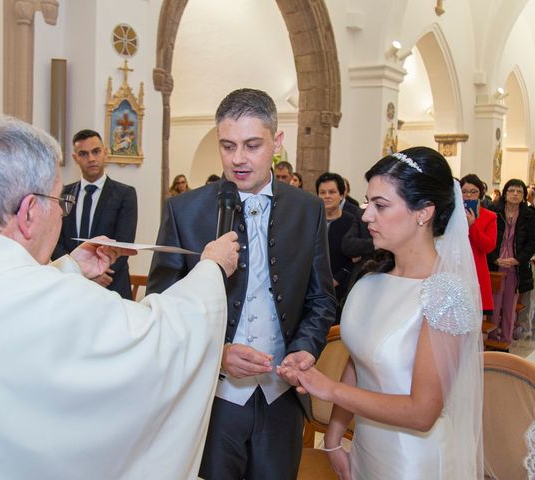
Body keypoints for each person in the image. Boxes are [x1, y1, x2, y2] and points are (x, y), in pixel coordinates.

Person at [0, 116, 241, 479]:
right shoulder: (52, 303)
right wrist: (211, 270)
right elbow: (160, 342)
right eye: (58, 201)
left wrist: (69, 267)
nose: (62, 212)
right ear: (29, 213)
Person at [147, 88, 336, 480]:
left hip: (281, 397)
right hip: (212, 397)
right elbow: (162, 303)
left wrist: (305, 347)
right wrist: (217, 352)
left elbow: (320, 299)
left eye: (252, 145)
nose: (238, 159)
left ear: (277, 142)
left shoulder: (308, 210)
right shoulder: (184, 211)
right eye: (228, 145)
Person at [280, 147, 484, 479]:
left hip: (413, 462)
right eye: (367, 202)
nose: (365, 216)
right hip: (367, 449)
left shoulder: (445, 295)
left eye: (380, 205)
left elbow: (422, 412)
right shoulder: (373, 279)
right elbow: (360, 361)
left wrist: (329, 390)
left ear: (424, 212)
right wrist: (334, 435)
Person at [52, 129, 137, 299]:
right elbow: (56, 240)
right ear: (76, 157)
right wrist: (79, 272)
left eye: (96, 151)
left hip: (112, 284)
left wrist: (99, 273)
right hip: (72, 284)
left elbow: (123, 242)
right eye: (83, 154)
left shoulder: (124, 194)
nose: (91, 159)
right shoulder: (63, 194)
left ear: (105, 152)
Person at [488, 179, 535, 342]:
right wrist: (495, 259)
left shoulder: (529, 215)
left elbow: (532, 243)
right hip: (496, 263)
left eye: (519, 191)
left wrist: (517, 259)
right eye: (511, 190)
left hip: (515, 266)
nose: (515, 194)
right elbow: (488, 237)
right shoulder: (493, 210)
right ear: (505, 193)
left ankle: (506, 339)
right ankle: (492, 338)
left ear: (523, 196)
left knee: (510, 304)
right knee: (494, 303)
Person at [315, 172, 354, 318]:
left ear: (342, 195)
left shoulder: (351, 221)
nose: (327, 196)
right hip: (312, 287)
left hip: (340, 289)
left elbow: (355, 259)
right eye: (322, 192)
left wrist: (336, 279)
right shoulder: (311, 220)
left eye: (332, 192)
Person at [460, 174, 497, 316]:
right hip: (456, 266)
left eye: (473, 191)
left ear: (480, 194)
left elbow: (489, 246)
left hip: (476, 267)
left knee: (474, 320)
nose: (468, 195)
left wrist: (472, 226)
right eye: (464, 191)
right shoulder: (452, 214)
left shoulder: (489, 216)